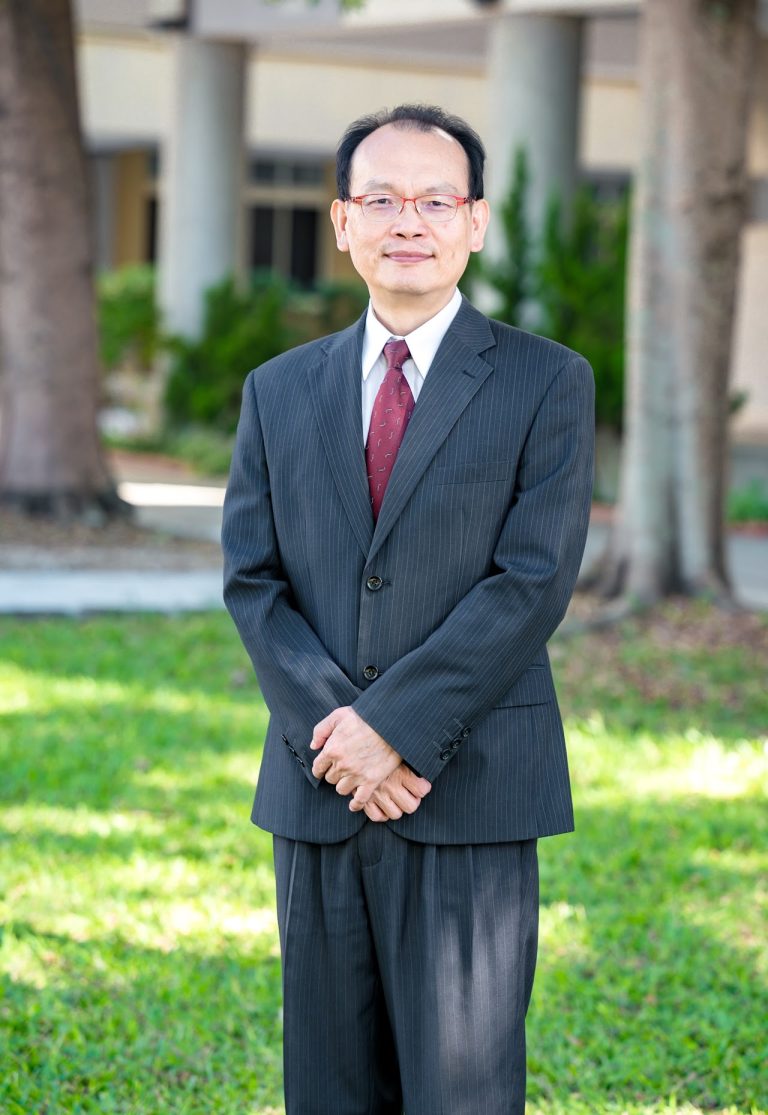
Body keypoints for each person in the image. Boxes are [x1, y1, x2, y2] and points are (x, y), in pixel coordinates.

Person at [222, 103, 594, 1115]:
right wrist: (340, 736)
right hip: (321, 784)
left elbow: (532, 579)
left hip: (471, 785)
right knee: (327, 1087)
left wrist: (394, 726)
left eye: (435, 199)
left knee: (461, 1090)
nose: (408, 222)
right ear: (343, 221)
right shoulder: (277, 390)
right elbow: (253, 577)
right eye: (382, 199)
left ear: (476, 221)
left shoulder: (545, 381)